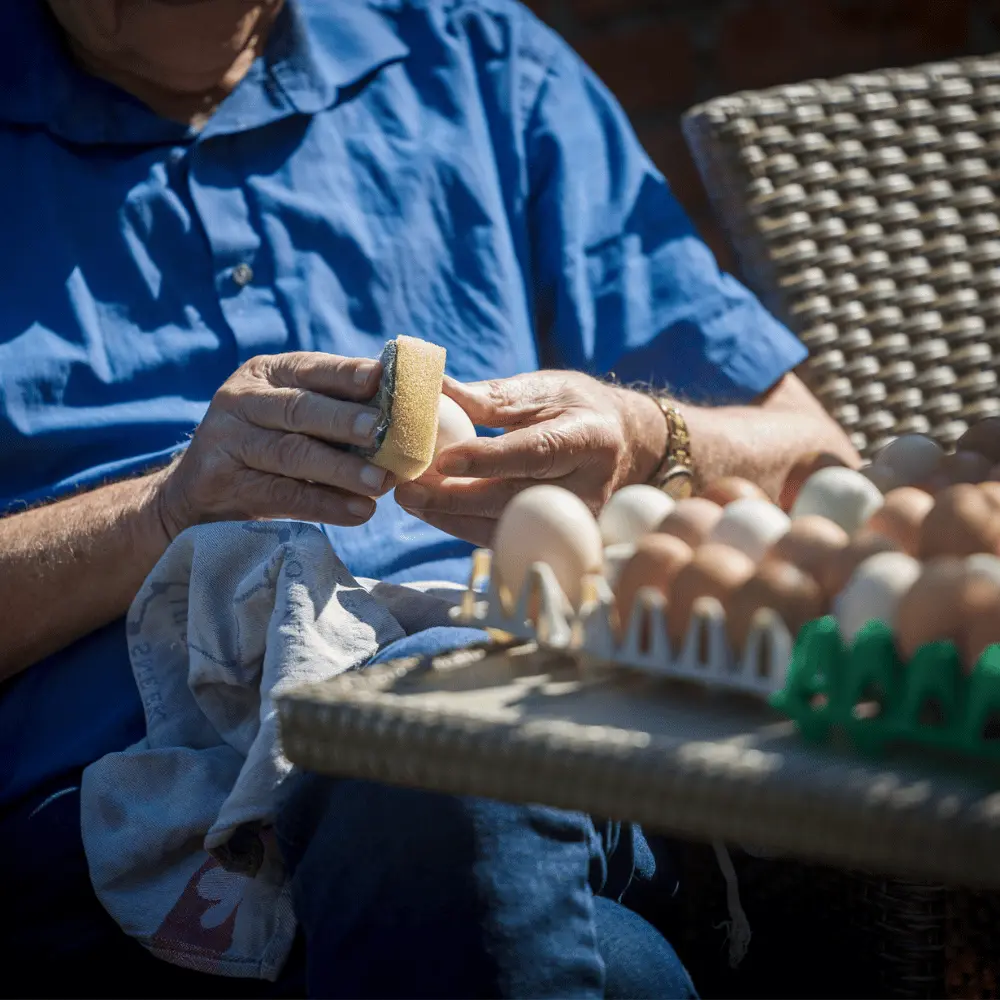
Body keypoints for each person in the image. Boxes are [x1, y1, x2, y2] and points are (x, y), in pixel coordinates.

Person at [0, 0, 857, 997]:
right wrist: (161, 514)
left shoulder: (472, 56)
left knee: (437, 724)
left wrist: (645, 440)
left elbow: (820, 464)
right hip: (121, 866)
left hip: (545, 763)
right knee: (619, 966)